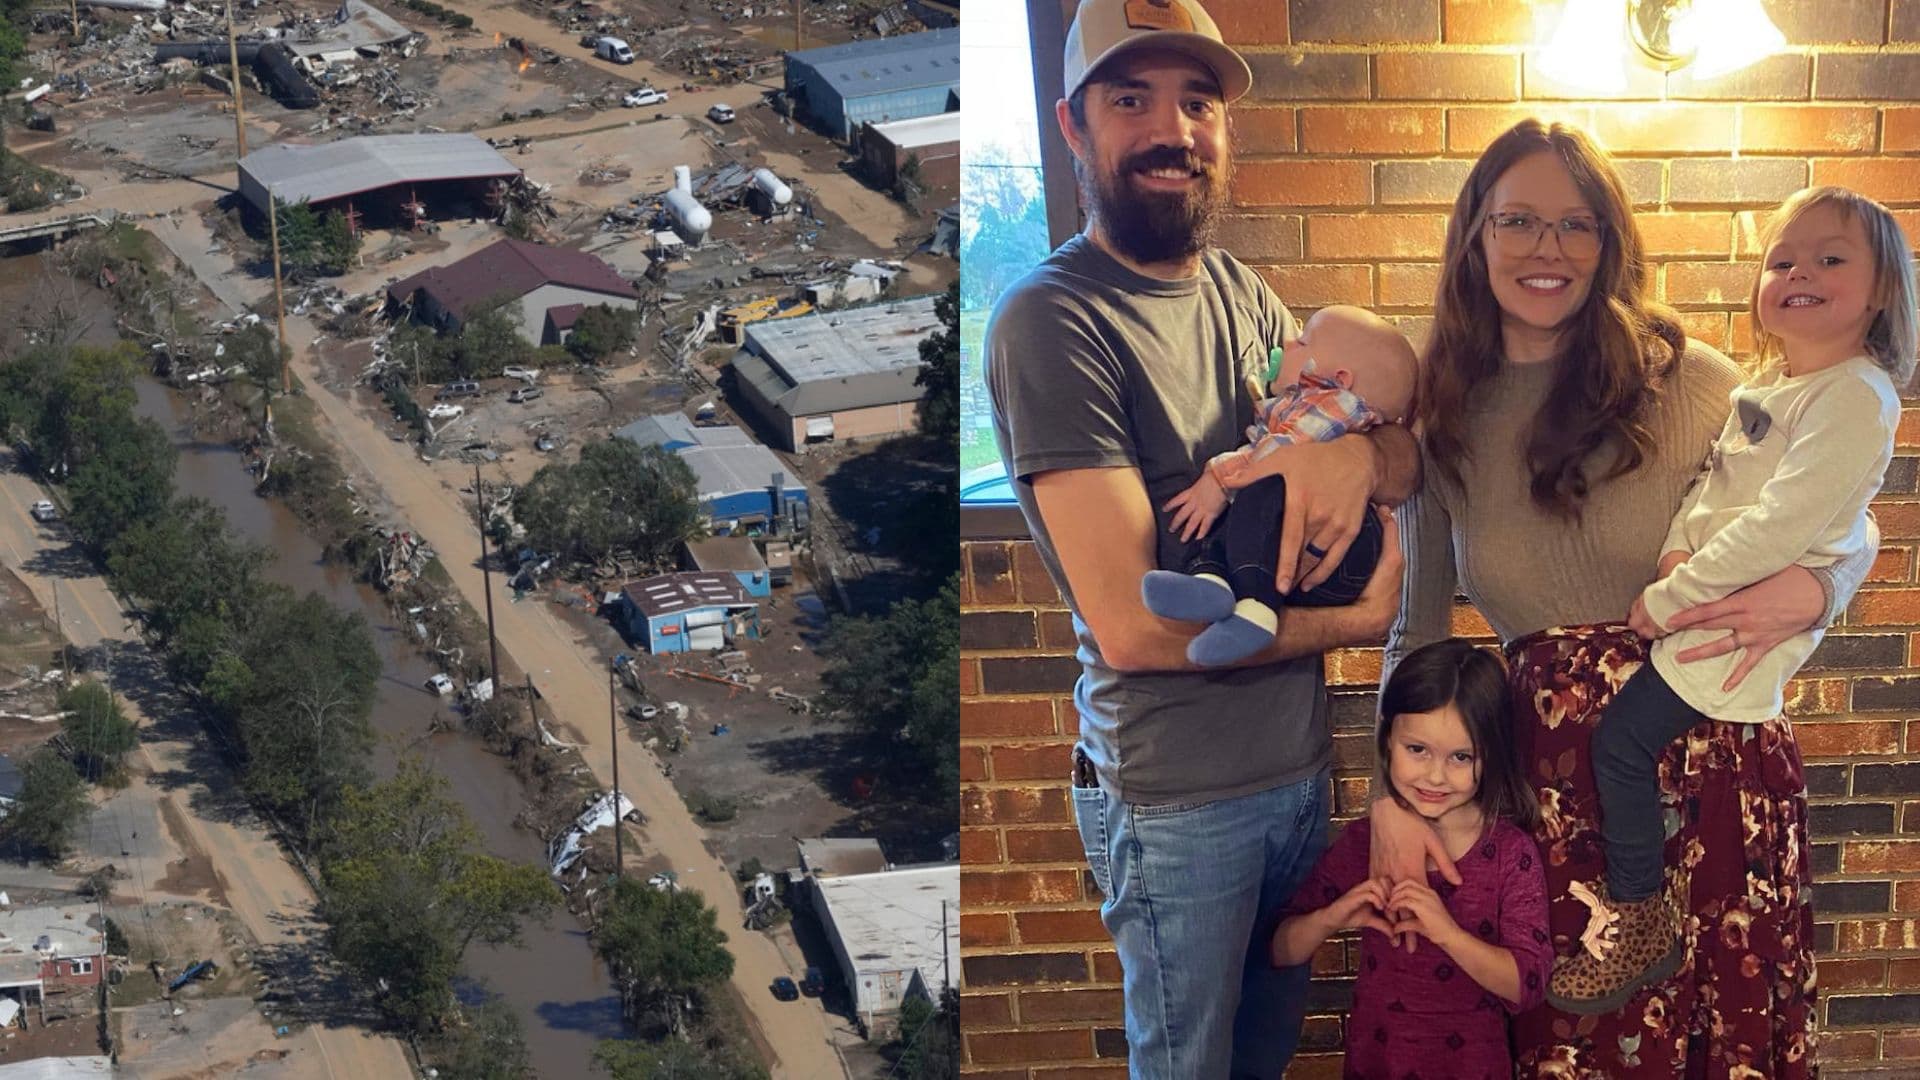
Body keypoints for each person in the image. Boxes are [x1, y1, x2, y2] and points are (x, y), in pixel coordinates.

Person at [985, 0, 1453, 1074]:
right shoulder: (1053, 321)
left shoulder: (1246, 296)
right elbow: (1136, 630)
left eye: (1197, 103)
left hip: (1295, 775)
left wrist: (1353, 461)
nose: (1173, 130)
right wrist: (1356, 622)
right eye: (1131, 99)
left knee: (1264, 1056)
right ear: (1072, 125)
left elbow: (1399, 445)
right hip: (1178, 803)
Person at [1382, 118, 1879, 1076]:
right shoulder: (1443, 408)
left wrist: (1824, 587)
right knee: (1574, 1047)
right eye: (1517, 220)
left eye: (1577, 224)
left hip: (1714, 758)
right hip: (1548, 786)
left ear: (1609, 243)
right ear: (1475, 234)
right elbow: (1420, 635)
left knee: (1720, 1040)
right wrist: (1395, 801)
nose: (1548, 248)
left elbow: (1837, 505)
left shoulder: (1693, 382)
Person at [1548, 185, 1912, 1013]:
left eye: (1829, 259)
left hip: (1724, 628)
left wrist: (1675, 595)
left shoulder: (1856, 394)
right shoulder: (1768, 383)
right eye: (1781, 261)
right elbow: (1714, 485)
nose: (1798, 274)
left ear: (1884, 288)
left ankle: (1640, 918)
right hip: (1702, 601)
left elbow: (1788, 525)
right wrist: (1677, 549)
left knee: (1622, 747)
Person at [1272, 638, 1551, 1079]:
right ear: (1388, 741)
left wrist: (1447, 933)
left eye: (1461, 756)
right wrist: (1332, 917)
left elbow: (1528, 984)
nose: (1435, 776)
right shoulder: (1365, 843)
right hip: (1376, 1064)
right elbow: (1279, 949)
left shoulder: (1510, 853)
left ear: (1491, 755)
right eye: (1417, 749)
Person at [1143, 304, 1418, 665]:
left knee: (1261, 492)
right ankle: (1211, 582)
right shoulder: (1312, 399)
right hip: (1317, 549)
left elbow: (1279, 456)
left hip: (1343, 551)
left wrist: (1220, 478)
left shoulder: (1331, 405)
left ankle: (1256, 608)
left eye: (1301, 342)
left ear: (1339, 378)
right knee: (1237, 522)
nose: (1285, 342)